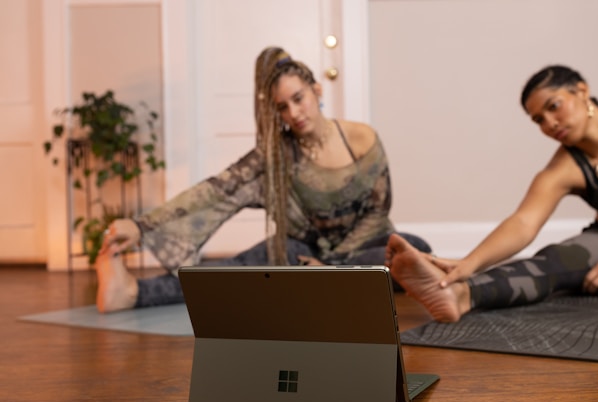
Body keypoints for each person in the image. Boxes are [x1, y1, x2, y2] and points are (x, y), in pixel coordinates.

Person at [96, 46, 431, 313]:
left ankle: (329, 280)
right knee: (244, 268)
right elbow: (213, 192)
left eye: (299, 99)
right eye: (282, 107)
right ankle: (133, 292)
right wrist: (141, 226)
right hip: (302, 254)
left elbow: (377, 212)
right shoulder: (275, 156)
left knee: (414, 250)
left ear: (316, 90)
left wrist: (328, 266)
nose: (294, 113)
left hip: (363, 247)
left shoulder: (361, 138)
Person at [386, 64, 598, 323]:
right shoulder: (563, 167)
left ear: (582, 91)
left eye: (554, 107)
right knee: (552, 262)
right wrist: (467, 265)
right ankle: (462, 295)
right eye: (538, 119)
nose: (550, 124)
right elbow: (524, 223)